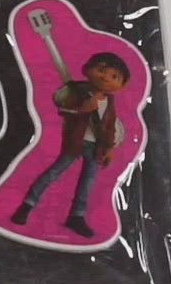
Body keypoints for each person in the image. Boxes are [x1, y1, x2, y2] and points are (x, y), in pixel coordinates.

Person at [8, 51, 130, 238]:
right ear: (87, 69)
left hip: (97, 147)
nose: (106, 77)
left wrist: (110, 148)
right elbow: (62, 107)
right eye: (101, 70)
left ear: (122, 85)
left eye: (115, 76)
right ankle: (27, 205)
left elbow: (110, 125)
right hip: (76, 141)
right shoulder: (77, 91)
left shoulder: (110, 100)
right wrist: (82, 109)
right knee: (54, 173)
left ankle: (77, 216)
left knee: (87, 183)